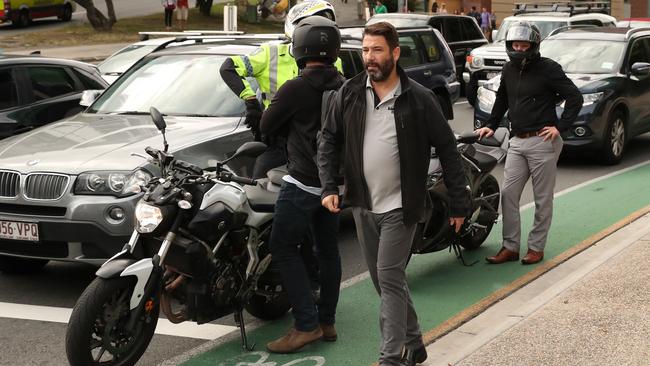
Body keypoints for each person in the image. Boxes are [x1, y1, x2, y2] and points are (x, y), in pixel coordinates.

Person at [318, 21, 469, 366]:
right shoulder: (351, 92)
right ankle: (414, 343)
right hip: (363, 204)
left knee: (388, 275)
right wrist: (329, 185)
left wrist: (460, 202)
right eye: (366, 50)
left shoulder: (418, 99)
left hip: (404, 206)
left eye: (377, 50)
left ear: (395, 53)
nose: (369, 57)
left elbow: (448, 149)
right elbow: (328, 139)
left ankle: (393, 356)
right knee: (386, 281)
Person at [261, 15, 345, 354]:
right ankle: (327, 322)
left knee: (282, 248)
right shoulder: (346, 85)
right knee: (328, 252)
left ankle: (306, 325)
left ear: (299, 50)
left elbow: (267, 125)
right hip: (332, 186)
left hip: (301, 183)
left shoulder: (294, 87)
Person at [475, 22, 582, 265]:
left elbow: (574, 97)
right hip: (516, 141)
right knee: (508, 194)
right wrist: (491, 124)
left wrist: (560, 127)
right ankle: (510, 247)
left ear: (533, 46)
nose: (519, 48)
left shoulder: (549, 69)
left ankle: (536, 247)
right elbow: (503, 97)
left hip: (541, 142)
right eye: (515, 44)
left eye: (524, 45)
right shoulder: (509, 69)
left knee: (542, 199)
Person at [220, 0, 340, 179]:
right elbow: (228, 68)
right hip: (277, 142)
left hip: (316, 143)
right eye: (310, 26)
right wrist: (250, 100)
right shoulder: (270, 53)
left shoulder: (333, 61)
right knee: (258, 190)